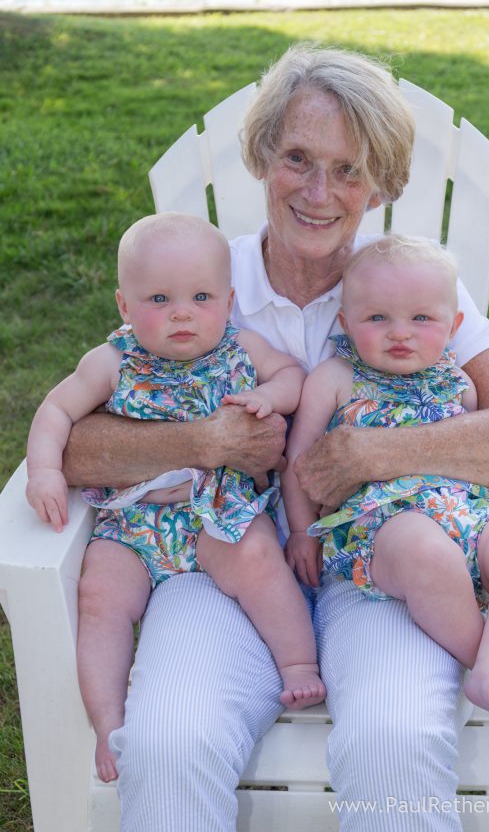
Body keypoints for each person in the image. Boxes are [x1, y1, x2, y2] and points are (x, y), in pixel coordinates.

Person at [62, 44, 489, 831]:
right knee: (167, 743)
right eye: (297, 158)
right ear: (262, 157)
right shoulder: (200, 280)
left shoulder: (412, 289)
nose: (319, 193)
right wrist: (208, 440)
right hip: (218, 558)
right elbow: (78, 443)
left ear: (382, 185)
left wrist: (369, 455)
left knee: (395, 741)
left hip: (384, 566)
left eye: (348, 171)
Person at [26, 213, 325, 784]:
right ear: (124, 305)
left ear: (228, 301)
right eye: (159, 299)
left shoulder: (241, 348)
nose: (182, 313)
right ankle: (108, 724)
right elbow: (56, 410)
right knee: (100, 598)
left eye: (201, 297)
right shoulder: (112, 362)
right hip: (135, 520)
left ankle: (298, 664)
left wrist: (269, 395)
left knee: (258, 560)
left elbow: (292, 374)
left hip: (219, 509)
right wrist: (43, 470)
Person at [283, 234, 489, 726]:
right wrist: (302, 531)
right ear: (345, 323)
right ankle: (483, 661)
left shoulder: (461, 384)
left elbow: (487, 450)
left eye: (421, 319)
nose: (399, 333)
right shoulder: (335, 379)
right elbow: (298, 460)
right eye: (377, 318)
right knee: (429, 554)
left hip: (465, 510)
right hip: (384, 524)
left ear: (454, 327)